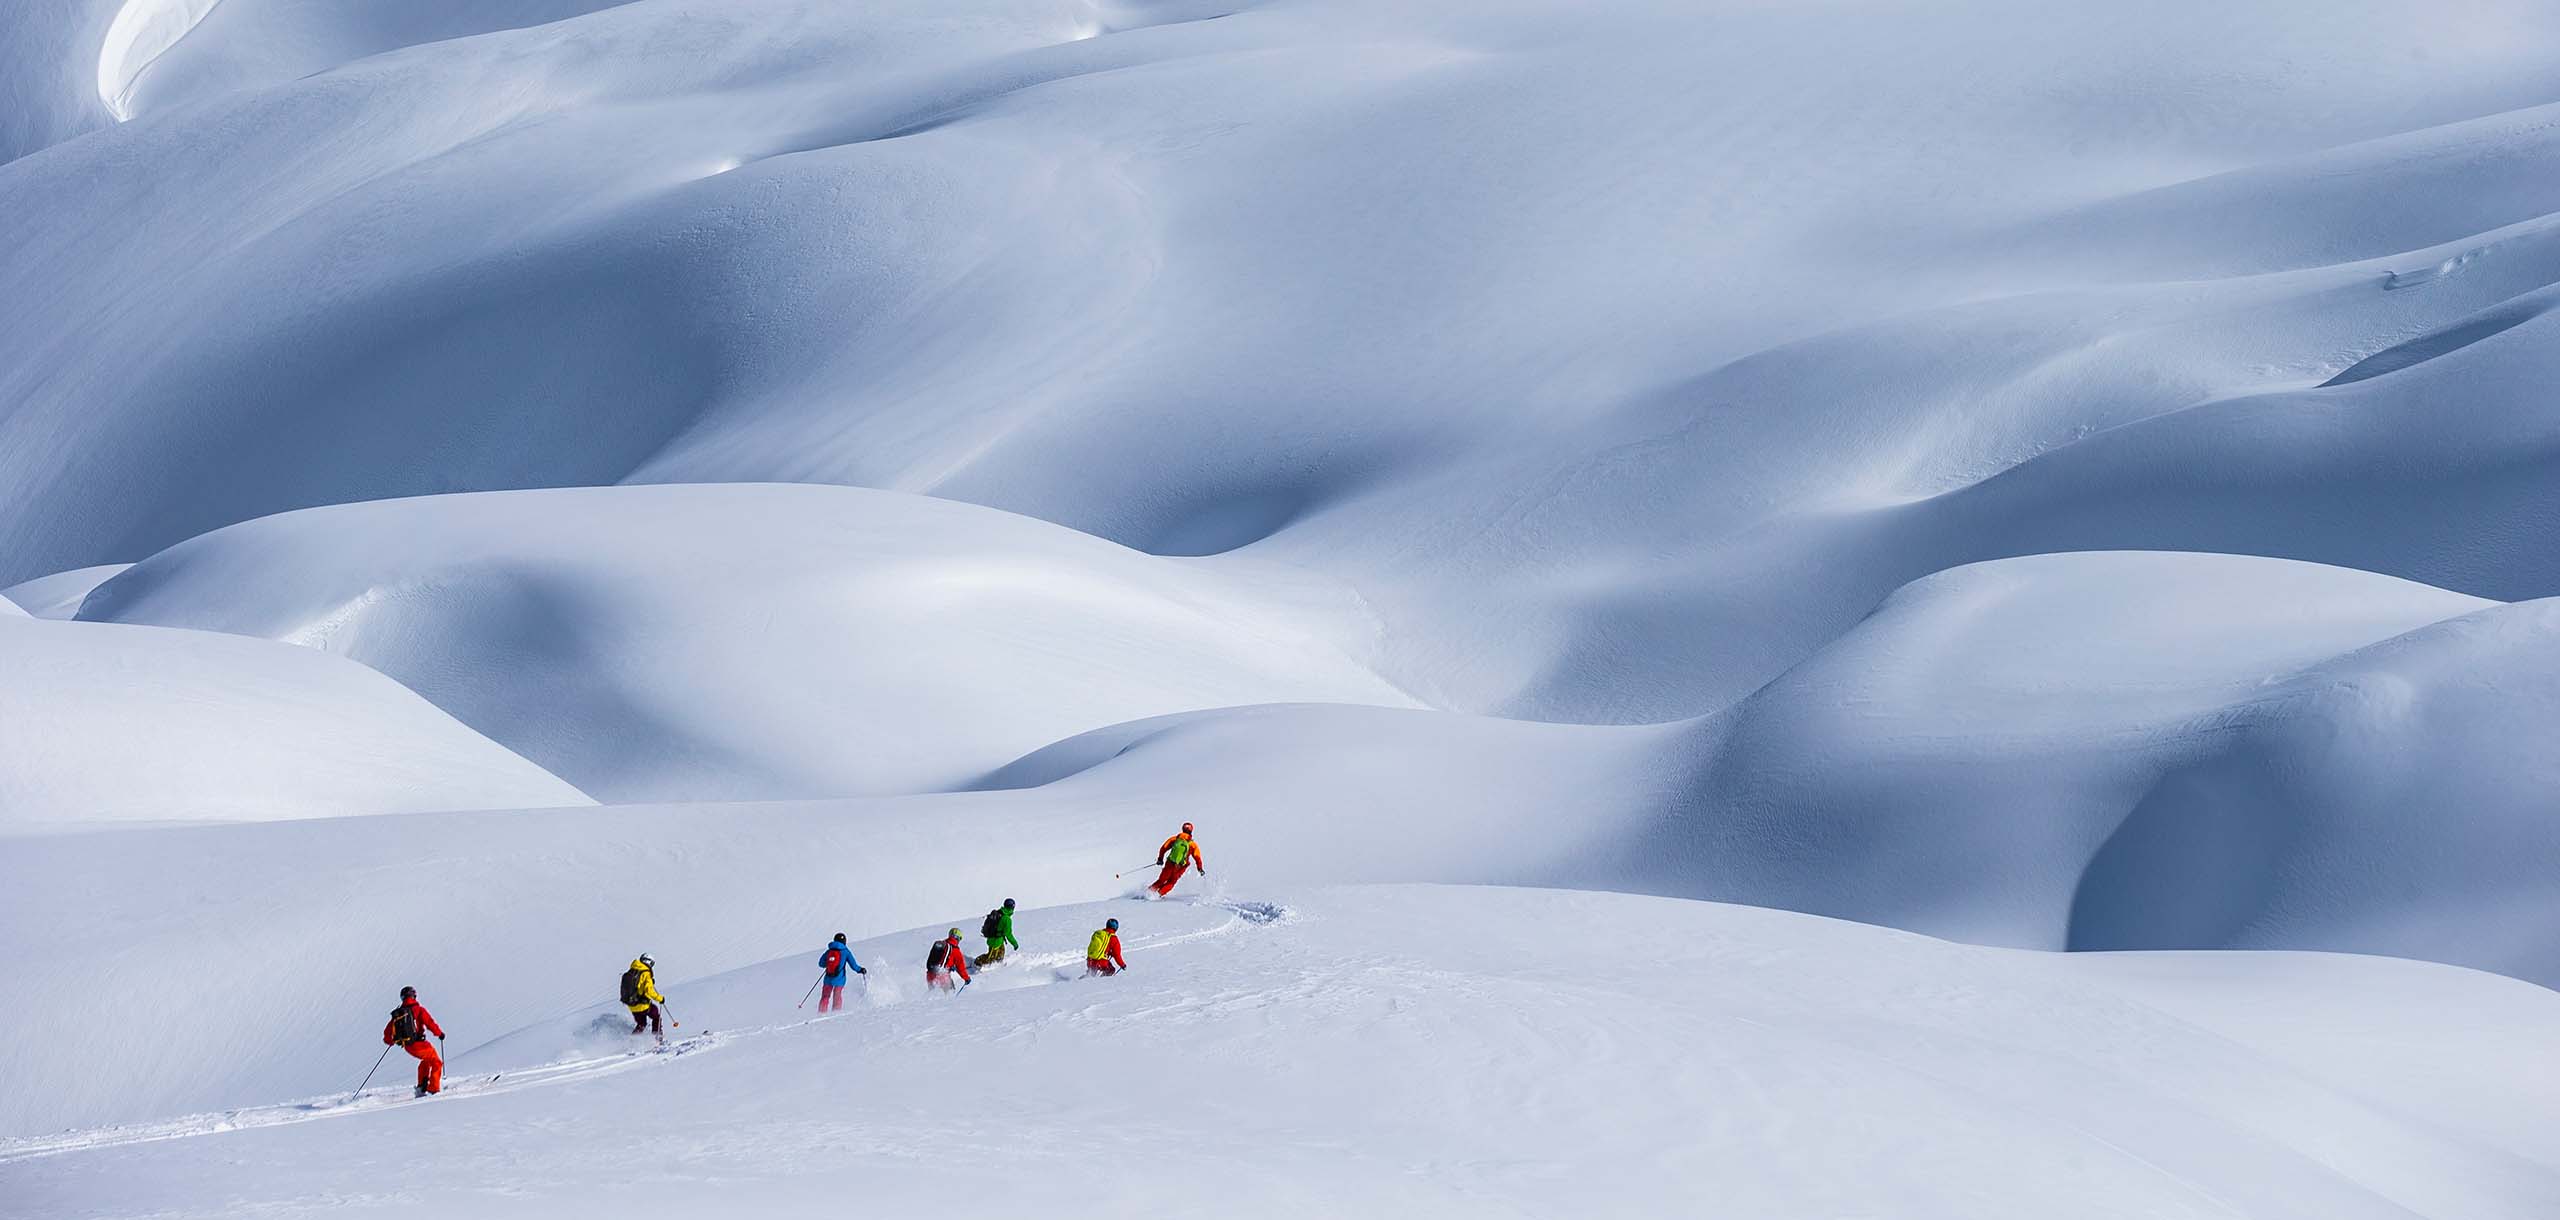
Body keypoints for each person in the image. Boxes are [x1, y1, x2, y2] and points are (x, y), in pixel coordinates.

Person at [382, 985, 446, 1097]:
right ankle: (434, 1089)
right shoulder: (419, 1010)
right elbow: (430, 1023)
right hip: (420, 1044)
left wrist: (390, 1041)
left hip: (408, 1046)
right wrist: (439, 1034)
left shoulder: (398, 1013)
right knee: (437, 1062)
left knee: (426, 1061)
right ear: (414, 996)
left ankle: (422, 1087)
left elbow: (388, 1031)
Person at [1149, 822, 1207, 896]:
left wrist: (1160, 859)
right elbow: (1197, 858)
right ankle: (1158, 895)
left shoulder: (1174, 839)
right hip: (1181, 866)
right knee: (1171, 882)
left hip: (1170, 862)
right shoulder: (1193, 845)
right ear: (1191, 831)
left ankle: (1148, 892)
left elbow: (1163, 848)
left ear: (1182, 829)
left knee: (1161, 880)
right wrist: (1200, 868)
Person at [622, 955, 667, 1041]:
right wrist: (660, 999)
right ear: (648, 962)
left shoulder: (633, 970)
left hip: (632, 1005)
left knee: (642, 1023)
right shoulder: (646, 973)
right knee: (656, 1016)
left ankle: (632, 1040)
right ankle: (658, 1038)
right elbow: (649, 991)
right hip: (642, 1004)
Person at [817, 934, 865, 1013]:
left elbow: (821, 964)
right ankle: (836, 1012)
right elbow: (853, 966)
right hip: (840, 978)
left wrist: (829, 964)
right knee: (837, 995)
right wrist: (860, 970)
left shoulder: (829, 951)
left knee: (825, 996)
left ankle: (821, 1013)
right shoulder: (846, 952)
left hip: (828, 978)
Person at [974, 898, 1019, 967]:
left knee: (1000, 955)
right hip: (995, 942)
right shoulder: (1007, 919)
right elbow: (1008, 934)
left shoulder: (999, 912)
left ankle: (997, 967)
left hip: (997, 940)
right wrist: (1015, 943)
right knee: (990, 958)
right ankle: (977, 963)